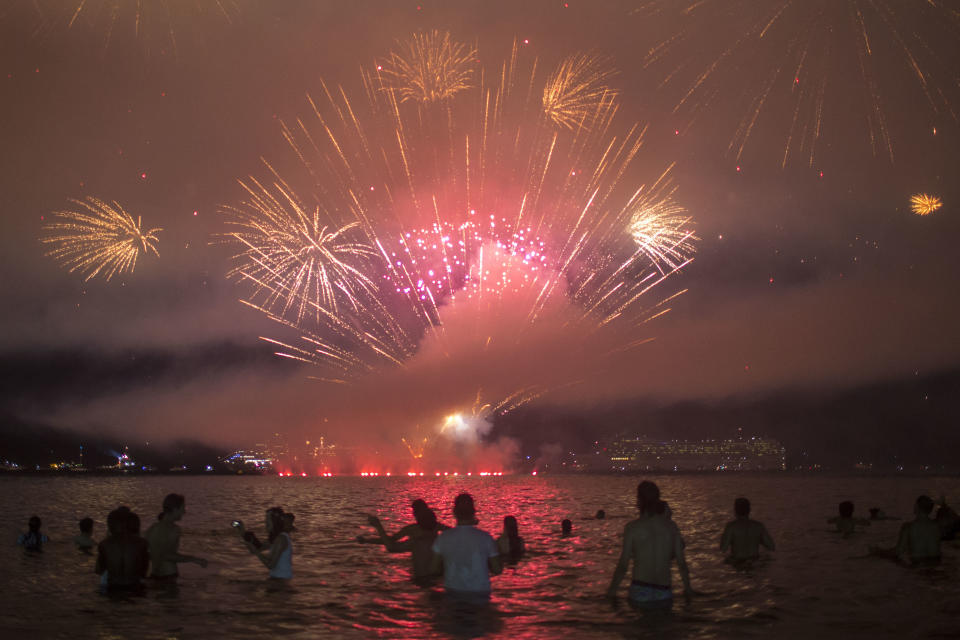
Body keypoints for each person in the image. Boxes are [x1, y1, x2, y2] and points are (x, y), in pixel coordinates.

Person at [607, 481, 693, 609]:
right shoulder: (671, 527)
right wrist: (688, 589)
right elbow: (681, 563)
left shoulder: (632, 528)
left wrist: (612, 592)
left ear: (639, 500)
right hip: (664, 590)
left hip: (640, 588)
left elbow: (623, 565)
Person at [430, 493, 502, 596]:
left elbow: (433, 569)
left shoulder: (443, 538)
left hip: (453, 592)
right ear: (474, 512)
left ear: (454, 512)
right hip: (480, 593)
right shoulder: (486, 538)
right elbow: (497, 570)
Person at [360, 500, 445, 580]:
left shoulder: (414, 533)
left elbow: (390, 544)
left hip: (422, 576)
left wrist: (377, 527)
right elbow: (390, 541)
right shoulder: (436, 527)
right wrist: (367, 540)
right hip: (437, 574)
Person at [145, 493, 208, 580]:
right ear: (175, 509)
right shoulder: (174, 529)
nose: (184, 512)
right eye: (183, 508)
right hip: (169, 575)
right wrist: (194, 560)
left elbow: (148, 554)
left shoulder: (151, 529)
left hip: (154, 575)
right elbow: (167, 556)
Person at [96, 507, 149, 593]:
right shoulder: (142, 543)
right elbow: (144, 574)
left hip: (113, 589)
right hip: (135, 589)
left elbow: (99, 570)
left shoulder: (104, 544)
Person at [236, 507, 292, 579]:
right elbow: (256, 550)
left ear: (275, 522)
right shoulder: (273, 539)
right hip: (276, 579)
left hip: (281, 582)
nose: (265, 524)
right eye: (265, 521)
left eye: (268, 522)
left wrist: (256, 551)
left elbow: (270, 565)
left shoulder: (281, 539)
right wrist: (242, 532)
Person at [720, 497, 775, 563]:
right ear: (749, 510)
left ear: (735, 510)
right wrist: (758, 539)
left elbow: (723, 549)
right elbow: (771, 547)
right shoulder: (758, 526)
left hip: (738, 563)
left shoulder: (731, 527)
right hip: (754, 561)